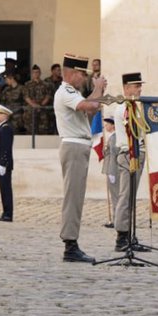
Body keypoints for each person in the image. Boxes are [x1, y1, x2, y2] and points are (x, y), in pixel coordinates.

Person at [54, 53, 107, 262]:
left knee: (76, 197)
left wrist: (100, 92)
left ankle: (72, 243)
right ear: (73, 74)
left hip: (79, 145)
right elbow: (91, 106)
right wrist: (98, 88)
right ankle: (70, 245)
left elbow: (89, 115)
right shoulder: (66, 91)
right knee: (73, 197)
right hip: (74, 146)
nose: (84, 79)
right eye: (82, 75)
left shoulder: (73, 93)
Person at [112, 72, 149, 252]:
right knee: (125, 197)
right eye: (136, 86)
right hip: (129, 155)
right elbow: (133, 129)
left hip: (137, 153)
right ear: (127, 88)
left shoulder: (135, 107)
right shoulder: (125, 108)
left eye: (139, 85)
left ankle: (129, 235)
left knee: (130, 197)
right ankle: (121, 237)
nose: (139, 88)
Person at [0, 103, 15, 221]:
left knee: (6, 188)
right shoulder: (0, 128)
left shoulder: (6, 128)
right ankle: (5, 212)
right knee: (3, 188)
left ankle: (8, 213)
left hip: (4, 163)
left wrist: (3, 163)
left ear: (5, 115)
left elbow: (6, 148)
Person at [23, 64, 52, 134]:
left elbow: (48, 96)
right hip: (31, 110)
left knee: (43, 129)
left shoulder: (46, 84)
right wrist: (34, 105)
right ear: (32, 74)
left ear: (40, 73)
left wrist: (41, 105)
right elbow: (26, 97)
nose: (36, 74)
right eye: (34, 72)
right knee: (31, 129)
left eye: (37, 72)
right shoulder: (27, 84)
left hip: (42, 109)